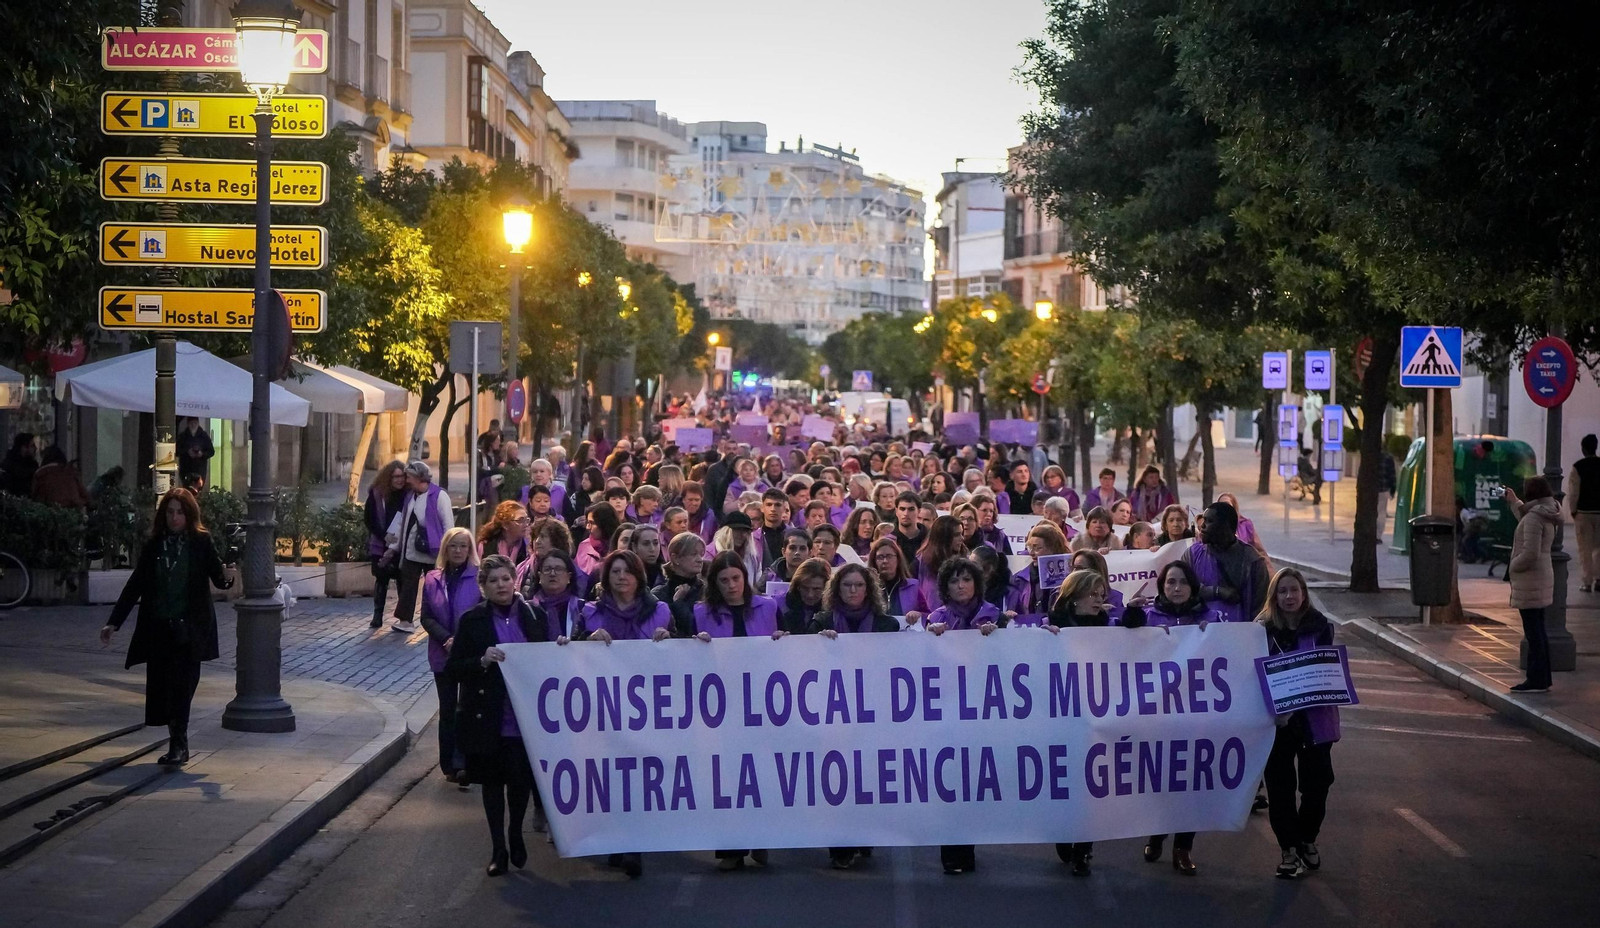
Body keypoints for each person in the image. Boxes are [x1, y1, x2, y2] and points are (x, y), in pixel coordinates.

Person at [100, 488, 232, 766]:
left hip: (190, 628)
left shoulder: (200, 542)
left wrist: (228, 577)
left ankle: (178, 744)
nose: (175, 518)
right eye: (170, 512)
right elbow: (135, 584)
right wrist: (114, 622)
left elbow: (218, 578)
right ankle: (177, 741)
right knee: (164, 688)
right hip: (159, 626)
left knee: (183, 687)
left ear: (189, 514)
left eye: (180, 512)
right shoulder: (155, 545)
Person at [446, 555, 549, 877]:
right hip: (488, 716)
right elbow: (453, 669)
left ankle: (515, 832)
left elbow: (549, 660)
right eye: (493, 581)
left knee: (519, 782)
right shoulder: (472, 620)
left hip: (524, 718)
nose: (501, 585)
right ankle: (498, 848)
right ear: (483, 587)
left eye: (505, 579)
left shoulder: (535, 615)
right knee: (492, 783)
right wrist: (481, 660)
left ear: (514, 580)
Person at [1043, 569, 1145, 875]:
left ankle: (1083, 848)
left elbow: (1134, 633)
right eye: (1092, 594)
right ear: (1074, 597)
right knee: (1066, 781)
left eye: (1101, 594)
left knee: (1090, 784)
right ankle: (1065, 832)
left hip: (1096, 718)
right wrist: (1043, 636)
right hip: (1062, 718)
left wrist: (1133, 612)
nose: (1098, 600)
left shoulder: (1107, 625)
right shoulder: (1053, 623)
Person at [689, 551, 785, 871]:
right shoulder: (701, 613)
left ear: (745, 578)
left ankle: (761, 838)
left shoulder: (768, 607)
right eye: (724, 580)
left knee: (762, 774)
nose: (731, 585)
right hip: (723, 708)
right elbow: (689, 659)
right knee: (729, 778)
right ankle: (732, 848)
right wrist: (695, 645)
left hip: (763, 705)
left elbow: (785, 649)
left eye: (736, 578)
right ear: (714, 583)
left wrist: (783, 640)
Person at [807, 563, 900, 870]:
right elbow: (804, 663)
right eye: (847, 585)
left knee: (868, 778)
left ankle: (863, 834)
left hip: (874, 715)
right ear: (837, 589)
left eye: (859, 585)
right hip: (833, 716)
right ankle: (840, 845)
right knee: (838, 780)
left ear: (868, 589)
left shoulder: (887, 625)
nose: (853, 590)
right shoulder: (821, 621)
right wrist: (818, 643)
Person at [1257, 567, 1340, 879]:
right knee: (1280, 790)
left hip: (1313, 721)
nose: (1289, 596)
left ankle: (1307, 838)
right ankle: (1289, 851)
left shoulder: (1320, 627)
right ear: (1274, 596)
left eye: (1294, 590)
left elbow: (1324, 674)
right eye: (1282, 591)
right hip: (1277, 723)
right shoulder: (1261, 631)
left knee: (1317, 785)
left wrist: (1297, 705)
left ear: (1304, 593)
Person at [924, 557, 1001, 876]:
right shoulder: (937, 619)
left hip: (984, 714)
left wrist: (999, 636)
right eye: (954, 580)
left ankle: (967, 847)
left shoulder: (996, 615)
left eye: (966, 579)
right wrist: (930, 637)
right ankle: (951, 853)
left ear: (976, 583)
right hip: (947, 714)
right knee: (951, 783)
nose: (960, 585)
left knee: (974, 785)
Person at [419, 527, 480, 784]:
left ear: (470, 549)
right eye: (453, 546)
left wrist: (463, 640)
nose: (458, 551)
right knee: (447, 710)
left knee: (466, 708)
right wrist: (445, 638)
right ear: (445, 549)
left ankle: (464, 762)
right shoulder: (433, 578)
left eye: (463, 546)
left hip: (469, 654)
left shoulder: (478, 577)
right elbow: (426, 617)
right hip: (442, 652)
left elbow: (481, 614)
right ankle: (448, 764)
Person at [1504, 476, 1561, 692]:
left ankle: (1535, 679)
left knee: (1533, 632)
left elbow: (1530, 553)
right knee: (1539, 629)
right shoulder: (1546, 512)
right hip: (1541, 577)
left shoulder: (1534, 518)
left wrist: (1513, 565)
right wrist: (1514, 501)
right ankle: (1542, 678)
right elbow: (1526, 517)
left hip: (1530, 579)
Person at [385, 461, 455, 634]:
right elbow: (403, 523)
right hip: (412, 550)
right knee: (408, 585)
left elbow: (448, 524)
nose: (406, 480)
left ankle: (438, 619)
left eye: (409, 476)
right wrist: (393, 547)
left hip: (434, 550)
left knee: (435, 586)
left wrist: (447, 550)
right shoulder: (410, 496)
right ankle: (405, 620)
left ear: (418, 477)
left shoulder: (439, 496)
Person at [1184, 502, 1270, 624]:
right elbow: (1181, 590)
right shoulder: (1192, 555)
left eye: (1209, 521)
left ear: (1225, 526)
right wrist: (1217, 592)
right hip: (1199, 633)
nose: (1202, 526)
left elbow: (1261, 609)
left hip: (1239, 632)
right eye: (1203, 520)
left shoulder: (1253, 561)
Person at [364, 462, 408, 628]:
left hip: (402, 545)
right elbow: (369, 519)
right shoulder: (377, 493)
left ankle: (404, 618)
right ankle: (377, 615)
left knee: (402, 580)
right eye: (395, 477)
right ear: (388, 477)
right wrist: (384, 536)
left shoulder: (409, 494)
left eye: (402, 476)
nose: (399, 480)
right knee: (381, 580)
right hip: (380, 544)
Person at [523, 548, 584, 641]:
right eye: (547, 569)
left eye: (558, 569)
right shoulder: (527, 609)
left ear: (569, 577)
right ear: (539, 576)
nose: (552, 574)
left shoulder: (581, 608)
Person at [656, 531, 708, 634]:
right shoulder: (659, 594)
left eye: (701, 554)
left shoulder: (707, 592)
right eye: (693, 554)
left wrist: (678, 603)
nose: (700, 560)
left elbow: (699, 628)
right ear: (675, 558)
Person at [914, 514, 965, 610]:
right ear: (944, 537)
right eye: (956, 535)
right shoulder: (920, 563)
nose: (962, 538)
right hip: (928, 616)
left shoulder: (965, 561)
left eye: (962, 534)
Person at [870, 535, 925, 621]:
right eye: (880, 557)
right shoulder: (868, 589)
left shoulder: (913, 586)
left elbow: (929, 616)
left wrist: (918, 614)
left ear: (898, 559)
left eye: (889, 556)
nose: (885, 561)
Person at [1572, 434, 1600, 593]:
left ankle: (1587, 582)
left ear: (1583, 449)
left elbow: (1574, 491)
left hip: (1584, 512)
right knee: (1599, 548)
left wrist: (1573, 510)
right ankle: (1599, 579)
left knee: (1585, 549)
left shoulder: (1578, 467)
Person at [1218, 492, 1272, 568]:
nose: (1225, 508)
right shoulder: (1213, 527)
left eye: (1227, 504)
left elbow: (1260, 552)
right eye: (1221, 505)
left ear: (1234, 507)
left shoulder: (1246, 525)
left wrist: (1269, 571)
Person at [779, 557, 831, 632]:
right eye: (805, 588)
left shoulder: (834, 612)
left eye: (816, 589)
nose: (810, 595)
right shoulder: (781, 606)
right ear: (797, 586)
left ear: (826, 588)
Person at [478, 500, 531, 565]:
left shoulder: (529, 546)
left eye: (527, 520)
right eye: (520, 520)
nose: (526, 524)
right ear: (505, 525)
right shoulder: (486, 546)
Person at [574, 502, 620, 576]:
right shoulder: (584, 546)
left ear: (604, 523)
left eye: (592, 523)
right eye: (587, 522)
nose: (588, 527)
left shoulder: (621, 546)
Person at [891, 490, 927, 567]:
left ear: (919, 511)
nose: (906, 513)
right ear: (896, 511)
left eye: (911, 509)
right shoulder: (889, 541)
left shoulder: (929, 540)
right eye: (902, 509)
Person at [175, 418, 215, 487]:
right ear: (188, 424)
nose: (193, 425)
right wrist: (187, 452)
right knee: (187, 488)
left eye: (195, 423)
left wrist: (202, 454)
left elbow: (211, 451)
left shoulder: (204, 436)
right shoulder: (183, 436)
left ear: (198, 424)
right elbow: (176, 451)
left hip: (199, 469)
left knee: (198, 488)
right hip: (186, 468)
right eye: (191, 423)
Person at [626, 522, 665, 588]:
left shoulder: (667, 575)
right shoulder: (626, 574)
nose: (652, 549)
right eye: (646, 544)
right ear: (634, 547)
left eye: (655, 543)